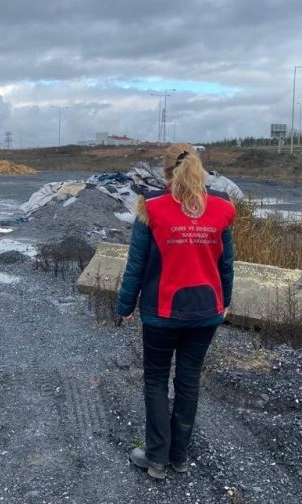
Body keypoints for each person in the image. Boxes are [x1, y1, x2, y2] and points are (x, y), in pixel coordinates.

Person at [117, 142, 236, 479]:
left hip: (161, 314)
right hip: (205, 312)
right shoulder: (222, 207)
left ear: (166, 171)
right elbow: (226, 264)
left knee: (155, 379)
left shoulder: (151, 207)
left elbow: (135, 265)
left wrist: (125, 305)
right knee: (188, 380)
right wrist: (224, 300)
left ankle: (156, 459)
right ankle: (180, 457)